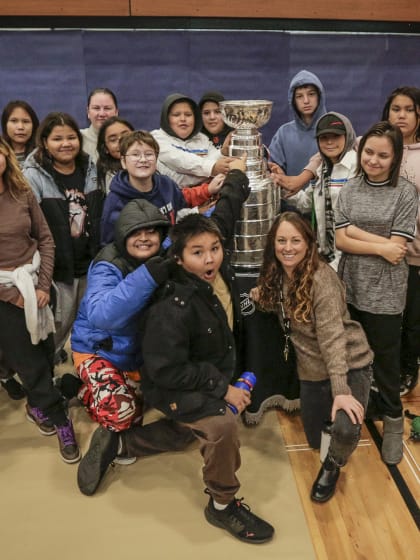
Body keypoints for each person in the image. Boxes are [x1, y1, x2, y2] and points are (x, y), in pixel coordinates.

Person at [77, 159, 275, 544]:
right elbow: (167, 370)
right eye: (199, 253)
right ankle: (222, 506)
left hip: (179, 369)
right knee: (219, 427)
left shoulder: (204, 260)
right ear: (179, 258)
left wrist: (236, 177)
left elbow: (224, 215)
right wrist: (223, 390)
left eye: (215, 249)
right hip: (152, 374)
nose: (211, 258)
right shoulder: (169, 300)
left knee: (188, 434)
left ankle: (123, 443)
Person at [252, 212, 373, 503]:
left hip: (348, 362)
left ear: (309, 243)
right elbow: (282, 307)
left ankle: (333, 466)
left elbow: (333, 340)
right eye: (281, 241)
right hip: (311, 370)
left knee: (345, 430)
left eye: (296, 240)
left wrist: (341, 391)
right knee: (315, 438)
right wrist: (261, 297)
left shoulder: (322, 280)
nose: (288, 247)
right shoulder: (277, 273)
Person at [335, 121, 418, 465]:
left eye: (383, 155)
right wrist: (381, 245)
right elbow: (340, 239)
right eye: (369, 152)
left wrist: (358, 233)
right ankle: (355, 414)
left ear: (395, 157)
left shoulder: (406, 192)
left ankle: (394, 423)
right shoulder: (351, 188)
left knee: (386, 361)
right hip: (350, 287)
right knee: (354, 357)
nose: (374, 160)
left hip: (386, 293)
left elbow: (399, 250)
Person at [0, 137, 80, 463]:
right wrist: (11, 294)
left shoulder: (22, 193)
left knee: (46, 350)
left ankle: (29, 396)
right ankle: (59, 418)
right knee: (31, 363)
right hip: (6, 293)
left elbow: (45, 239)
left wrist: (43, 285)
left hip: (33, 283)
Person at [70, 199, 172, 433]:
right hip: (98, 351)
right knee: (122, 415)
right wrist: (147, 276)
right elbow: (100, 315)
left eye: (151, 231)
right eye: (136, 232)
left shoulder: (166, 251)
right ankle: (85, 392)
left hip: (135, 352)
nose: (144, 238)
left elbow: (199, 230)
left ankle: (125, 382)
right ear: (122, 235)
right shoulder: (107, 264)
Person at [23, 112, 103, 366]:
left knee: (88, 322)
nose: (66, 143)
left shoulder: (90, 168)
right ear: (44, 142)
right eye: (58, 138)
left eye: (71, 137)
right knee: (56, 326)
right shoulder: (33, 175)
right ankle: (40, 373)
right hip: (58, 269)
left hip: (90, 263)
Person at [101, 130, 225, 245]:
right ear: (123, 162)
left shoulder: (165, 184)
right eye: (135, 154)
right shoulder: (115, 201)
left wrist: (208, 190)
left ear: (156, 159)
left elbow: (183, 198)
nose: (143, 160)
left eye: (149, 154)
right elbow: (108, 243)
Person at [381, 86, 420, 396]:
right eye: (396, 109)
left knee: (412, 317)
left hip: (415, 255)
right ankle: (384, 370)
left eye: (409, 109)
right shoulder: (378, 145)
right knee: (386, 318)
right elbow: (330, 150)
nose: (402, 115)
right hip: (380, 253)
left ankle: (409, 369)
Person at [295, 112, 357, 270]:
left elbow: (356, 222)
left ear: (347, 136)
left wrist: (334, 267)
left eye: (335, 136)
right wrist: (280, 184)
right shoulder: (322, 169)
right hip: (327, 258)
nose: (329, 142)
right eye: (323, 137)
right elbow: (305, 204)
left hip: (351, 259)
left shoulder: (358, 167)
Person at [268, 70, 327, 210]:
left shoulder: (334, 129)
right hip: (291, 213)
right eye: (299, 96)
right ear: (293, 100)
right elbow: (273, 171)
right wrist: (278, 176)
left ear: (320, 96)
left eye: (311, 94)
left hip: (327, 212)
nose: (306, 101)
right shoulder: (284, 133)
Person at [151, 93, 235, 187]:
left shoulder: (202, 138)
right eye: (176, 115)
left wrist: (222, 152)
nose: (183, 119)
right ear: (166, 118)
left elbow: (217, 165)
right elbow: (176, 179)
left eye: (188, 114)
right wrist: (212, 169)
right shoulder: (156, 139)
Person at [96, 116, 134, 194]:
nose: (121, 141)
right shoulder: (111, 176)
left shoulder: (152, 161)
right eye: (113, 140)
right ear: (105, 149)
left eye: (126, 135)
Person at [80, 88, 119, 161]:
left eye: (107, 108)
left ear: (116, 112)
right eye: (96, 108)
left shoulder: (128, 141)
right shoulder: (78, 139)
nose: (102, 114)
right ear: (88, 112)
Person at [1, 99, 39, 167]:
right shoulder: (1, 155)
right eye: (14, 121)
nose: (20, 127)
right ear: (5, 125)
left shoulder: (42, 154)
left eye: (26, 121)